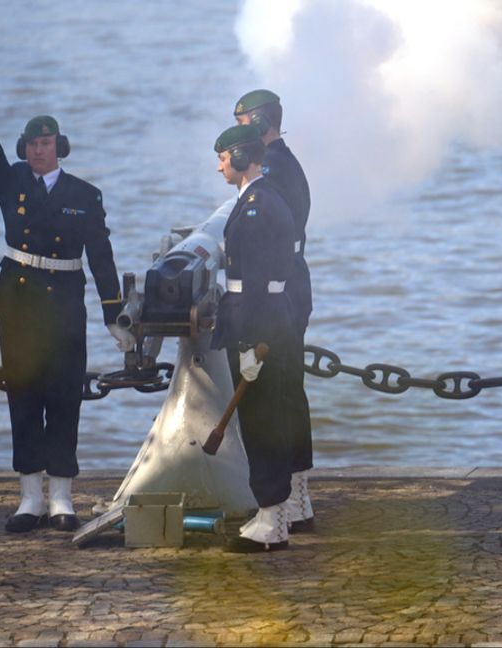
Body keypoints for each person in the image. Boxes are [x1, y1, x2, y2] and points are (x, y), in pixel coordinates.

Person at [0, 50, 134, 533]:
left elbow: (101, 256)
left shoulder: (84, 194)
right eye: (32, 143)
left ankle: (61, 498)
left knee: (65, 396)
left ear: (61, 146)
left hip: (64, 305)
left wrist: (114, 314)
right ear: (24, 148)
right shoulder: (10, 181)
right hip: (18, 304)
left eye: (47, 142)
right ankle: (29, 498)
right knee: (24, 396)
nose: (38, 150)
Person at [210, 124, 299, 553]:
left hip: (258, 322)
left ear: (242, 159)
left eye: (224, 158)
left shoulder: (256, 206)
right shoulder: (260, 199)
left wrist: (249, 345)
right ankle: (273, 515)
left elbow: (260, 283)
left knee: (263, 422)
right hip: (267, 319)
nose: (219, 166)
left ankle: (271, 520)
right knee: (267, 419)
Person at [233, 90, 316, 532]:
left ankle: (285, 498)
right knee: (290, 391)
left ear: (258, 124)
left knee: (277, 393)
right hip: (293, 282)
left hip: (278, 288)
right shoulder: (286, 162)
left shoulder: (270, 169)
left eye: (241, 122)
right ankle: (297, 493)